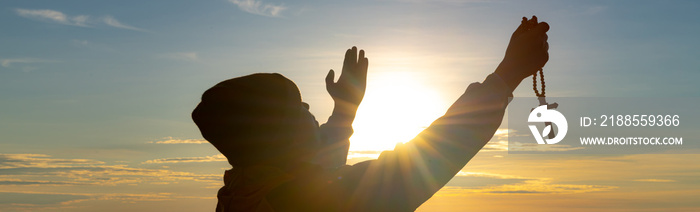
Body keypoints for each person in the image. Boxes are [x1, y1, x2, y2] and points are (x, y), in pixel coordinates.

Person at [192, 16, 549, 211]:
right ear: (279, 136)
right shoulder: (313, 201)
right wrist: (508, 74)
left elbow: (317, 168)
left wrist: (344, 110)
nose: (310, 114)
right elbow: (433, 154)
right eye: (299, 110)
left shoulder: (246, 191)